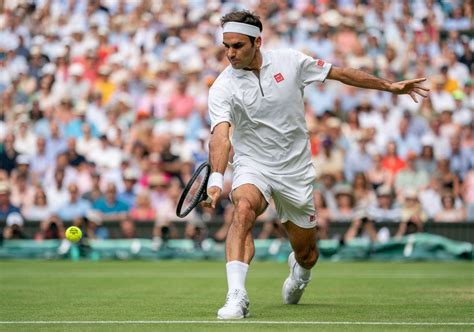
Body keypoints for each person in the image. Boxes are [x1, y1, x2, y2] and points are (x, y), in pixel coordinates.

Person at [205, 10, 429, 320]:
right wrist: (216, 178)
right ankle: (236, 295)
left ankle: (299, 273)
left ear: (258, 42)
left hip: (295, 170)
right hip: (253, 164)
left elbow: (341, 73)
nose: (230, 53)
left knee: (307, 254)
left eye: (238, 46)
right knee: (243, 208)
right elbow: (220, 135)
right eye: (226, 46)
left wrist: (389, 86)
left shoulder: (291, 61)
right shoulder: (221, 87)